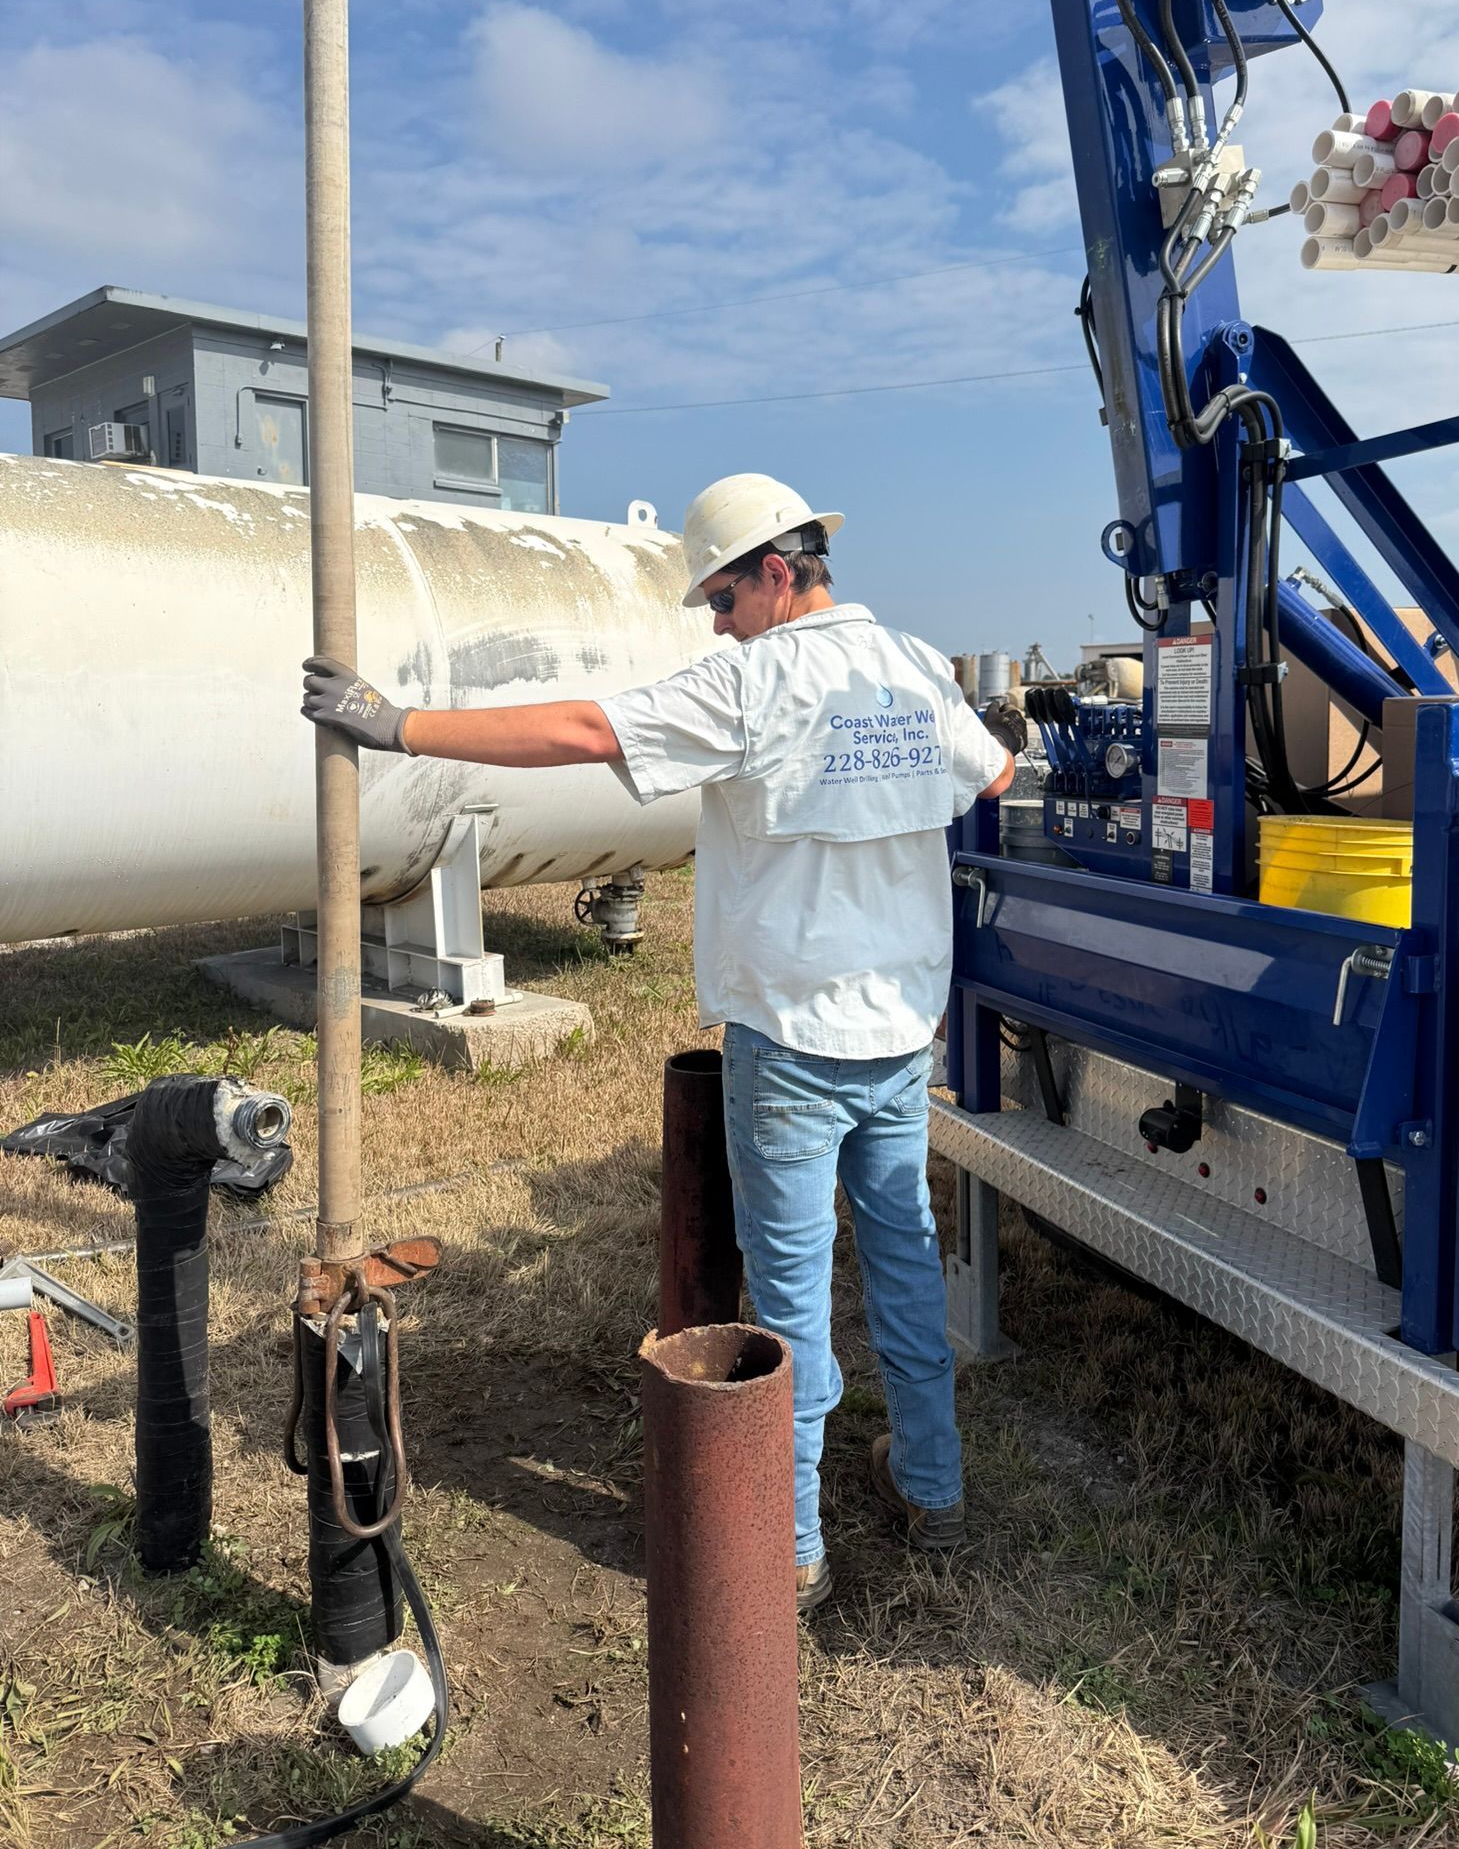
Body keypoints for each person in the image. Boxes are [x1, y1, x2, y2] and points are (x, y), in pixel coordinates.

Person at [301, 471, 1013, 1611]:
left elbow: (588, 729)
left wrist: (397, 725)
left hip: (789, 1040)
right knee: (905, 1268)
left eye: (721, 598)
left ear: (777, 574)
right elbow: (1001, 769)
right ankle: (933, 1491)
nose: (715, 622)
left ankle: (790, 1546)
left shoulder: (756, 678)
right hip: (898, 1039)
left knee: (788, 1300)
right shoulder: (919, 666)